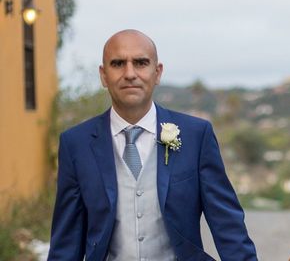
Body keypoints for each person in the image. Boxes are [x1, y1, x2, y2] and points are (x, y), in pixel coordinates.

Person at [48, 29, 257, 261]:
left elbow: (227, 226)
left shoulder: (196, 135)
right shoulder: (76, 144)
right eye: (118, 63)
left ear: (157, 72)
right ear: (103, 75)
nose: (130, 73)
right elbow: (67, 241)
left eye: (140, 63)